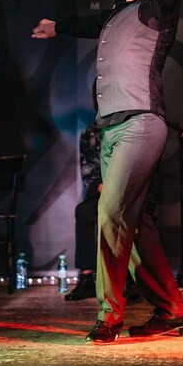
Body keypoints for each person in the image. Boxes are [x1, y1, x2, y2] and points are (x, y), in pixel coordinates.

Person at [32, 0, 183, 344]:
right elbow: (90, 22)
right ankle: (174, 309)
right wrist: (58, 27)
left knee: (109, 213)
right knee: (135, 224)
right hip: (112, 130)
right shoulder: (114, 16)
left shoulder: (158, 8)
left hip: (143, 125)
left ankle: (110, 313)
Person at [64, 84, 102, 302]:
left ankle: (133, 279)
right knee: (84, 211)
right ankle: (87, 278)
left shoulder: (130, 129)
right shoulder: (91, 133)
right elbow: (89, 174)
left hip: (130, 193)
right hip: (102, 193)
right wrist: (101, 185)